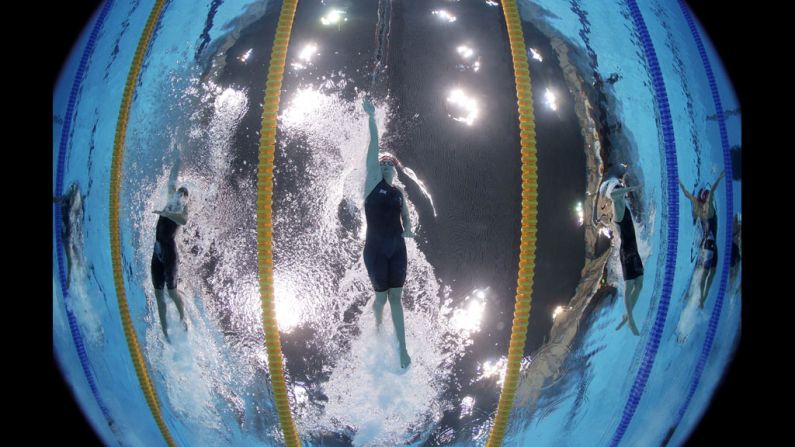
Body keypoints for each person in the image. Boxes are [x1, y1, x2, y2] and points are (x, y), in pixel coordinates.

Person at [362, 96, 415, 368]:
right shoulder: (372, 184)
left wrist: (410, 230)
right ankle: (378, 324)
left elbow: (406, 218)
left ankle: (403, 350)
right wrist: (372, 118)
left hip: (397, 249)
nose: (384, 165)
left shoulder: (398, 194)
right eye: (381, 163)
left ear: (395, 171)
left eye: (389, 164)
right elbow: (374, 148)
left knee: (397, 297)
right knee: (381, 298)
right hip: (375, 251)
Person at [151, 157, 190, 342]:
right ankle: (166, 332)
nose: (179, 196)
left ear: (185, 200)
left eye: (183, 196)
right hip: (157, 253)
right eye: (178, 193)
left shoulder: (182, 211)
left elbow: (183, 221)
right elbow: (171, 180)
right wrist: (177, 160)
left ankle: (183, 318)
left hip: (170, 256)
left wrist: (167, 214)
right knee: (159, 295)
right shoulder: (170, 198)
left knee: (171, 292)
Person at [679, 170, 724, 308]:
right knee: (707, 273)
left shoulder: (698, 207)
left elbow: (687, 193)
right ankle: (701, 298)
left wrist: (679, 182)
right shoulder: (708, 207)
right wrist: (720, 178)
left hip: (709, 245)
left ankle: (700, 296)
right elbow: (713, 190)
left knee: (711, 271)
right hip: (710, 244)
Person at [609, 166, 644, 336]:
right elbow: (613, 195)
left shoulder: (624, 204)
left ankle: (627, 315)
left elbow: (618, 193)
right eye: (620, 190)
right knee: (630, 285)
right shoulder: (616, 208)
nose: (622, 192)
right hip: (627, 253)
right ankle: (630, 319)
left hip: (634, 250)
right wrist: (632, 188)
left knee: (640, 284)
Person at [53, 182, 83, 288]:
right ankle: (70, 278)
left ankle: (70, 279)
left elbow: (57, 200)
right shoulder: (70, 202)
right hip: (68, 230)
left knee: (70, 255)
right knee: (72, 254)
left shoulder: (67, 201)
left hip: (66, 231)